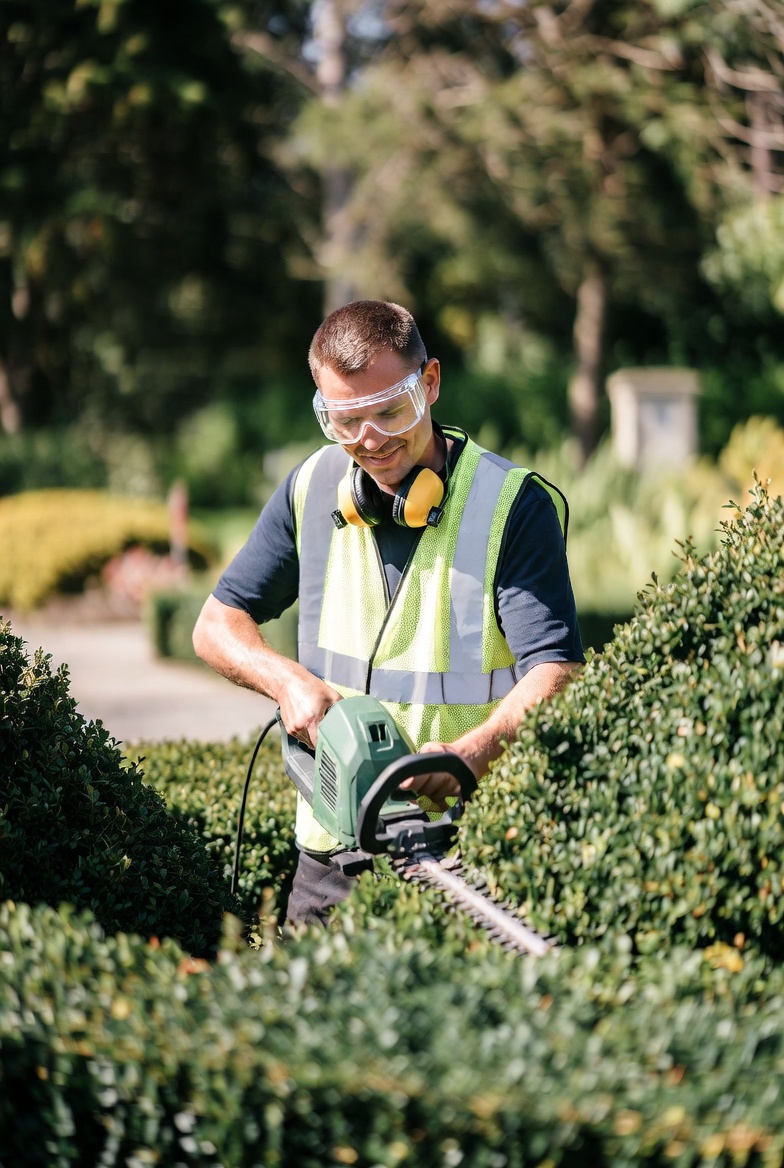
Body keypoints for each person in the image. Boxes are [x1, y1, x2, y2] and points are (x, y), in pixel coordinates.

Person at [193, 300, 584, 924]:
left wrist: (473, 754)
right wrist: (286, 680)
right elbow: (216, 625)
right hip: (328, 856)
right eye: (344, 421)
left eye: (390, 411)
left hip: (460, 853)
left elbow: (556, 673)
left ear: (429, 383)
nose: (369, 440)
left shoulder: (513, 506)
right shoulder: (312, 488)